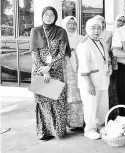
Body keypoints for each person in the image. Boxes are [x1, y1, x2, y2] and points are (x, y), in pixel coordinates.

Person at [30, 6, 70, 141]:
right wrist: (44, 70)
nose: (48, 17)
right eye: (46, 14)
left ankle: (57, 131)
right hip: (39, 71)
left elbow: (62, 53)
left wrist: (50, 67)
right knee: (43, 102)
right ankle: (44, 132)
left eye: (51, 15)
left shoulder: (61, 32)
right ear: (42, 16)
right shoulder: (35, 31)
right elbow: (34, 53)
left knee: (57, 101)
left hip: (56, 71)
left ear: (56, 17)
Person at [77, 18, 112, 140]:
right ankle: (90, 129)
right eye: (93, 28)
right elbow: (83, 66)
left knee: (102, 105)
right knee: (90, 107)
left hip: (102, 79)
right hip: (90, 82)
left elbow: (106, 58)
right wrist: (89, 84)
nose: (96, 31)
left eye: (99, 28)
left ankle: (101, 125)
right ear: (87, 29)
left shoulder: (102, 41)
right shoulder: (84, 44)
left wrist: (109, 66)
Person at [61, 16, 85, 131]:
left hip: (80, 69)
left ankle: (81, 122)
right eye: (69, 23)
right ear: (64, 25)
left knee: (81, 93)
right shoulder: (61, 38)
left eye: (74, 23)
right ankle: (70, 122)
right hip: (66, 70)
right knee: (69, 94)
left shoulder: (82, 38)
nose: (72, 26)